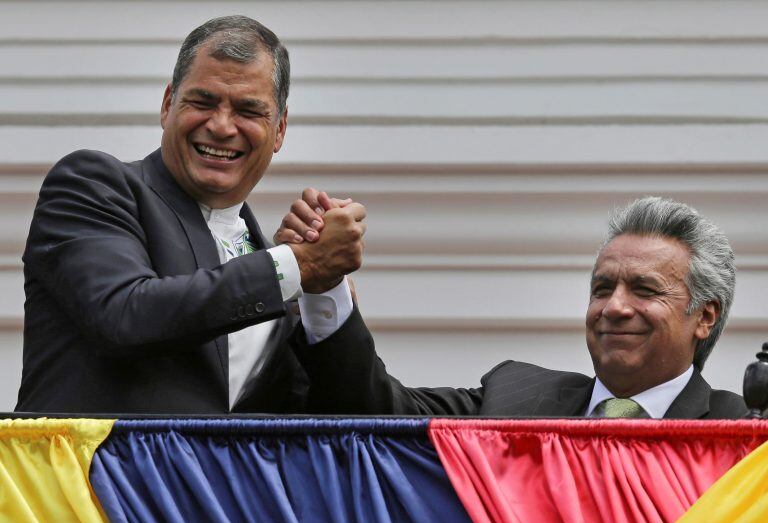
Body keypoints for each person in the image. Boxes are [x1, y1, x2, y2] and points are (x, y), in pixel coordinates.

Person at [15, 16, 366, 413]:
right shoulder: (93, 185)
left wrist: (324, 288)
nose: (220, 126)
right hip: (94, 475)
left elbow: (347, 414)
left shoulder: (271, 269)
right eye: (202, 102)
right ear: (168, 105)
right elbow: (124, 316)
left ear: (280, 129)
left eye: (248, 111)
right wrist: (296, 266)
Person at [281, 195, 747, 418]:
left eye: (644, 290)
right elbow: (373, 412)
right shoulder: (514, 398)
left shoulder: (743, 437)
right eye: (602, 289)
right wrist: (325, 286)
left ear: (704, 316)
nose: (613, 307)